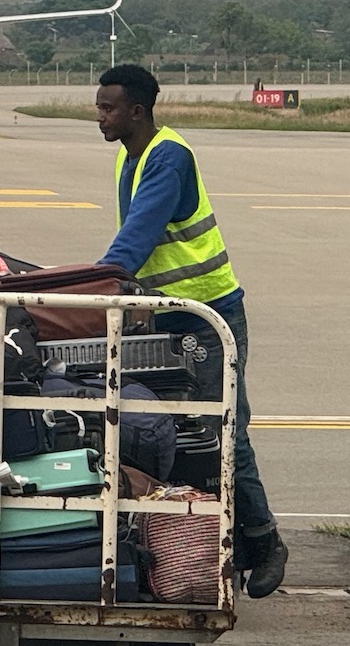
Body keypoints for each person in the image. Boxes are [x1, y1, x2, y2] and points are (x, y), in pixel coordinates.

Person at [94, 63, 288, 598]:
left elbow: (138, 235)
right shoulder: (128, 156)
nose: (101, 117)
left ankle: (264, 538)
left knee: (224, 430)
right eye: (99, 107)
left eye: (109, 108)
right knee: (175, 436)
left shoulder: (167, 156)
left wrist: (95, 285)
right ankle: (205, 547)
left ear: (137, 110)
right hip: (167, 314)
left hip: (208, 316)